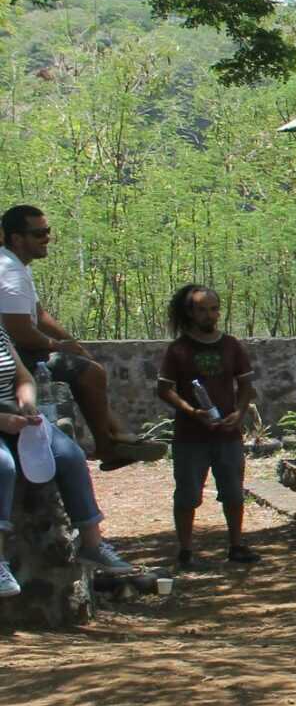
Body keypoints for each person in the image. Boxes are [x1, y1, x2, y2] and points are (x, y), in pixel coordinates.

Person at [0, 205, 164, 469]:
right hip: (14, 358)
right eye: (39, 233)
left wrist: (72, 344)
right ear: (17, 238)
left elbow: (39, 316)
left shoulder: (19, 267)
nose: (47, 238)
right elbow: (20, 332)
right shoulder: (9, 272)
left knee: (89, 368)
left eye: (48, 231)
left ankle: (116, 436)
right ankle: (109, 446)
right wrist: (57, 346)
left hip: (23, 350)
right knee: (90, 373)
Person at [0, 323, 138, 596]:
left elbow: (24, 377)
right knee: (3, 466)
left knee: (70, 455)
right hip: (3, 419)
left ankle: (92, 544)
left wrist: (27, 403)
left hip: (15, 414)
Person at [156, 285, 258, 568]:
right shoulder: (178, 350)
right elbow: (164, 389)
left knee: (234, 493)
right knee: (188, 495)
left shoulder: (231, 346)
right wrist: (192, 411)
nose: (209, 315)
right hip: (190, 436)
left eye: (213, 309)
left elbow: (247, 386)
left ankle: (236, 545)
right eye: (202, 309)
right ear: (190, 312)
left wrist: (239, 414)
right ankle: (186, 551)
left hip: (228, 434)